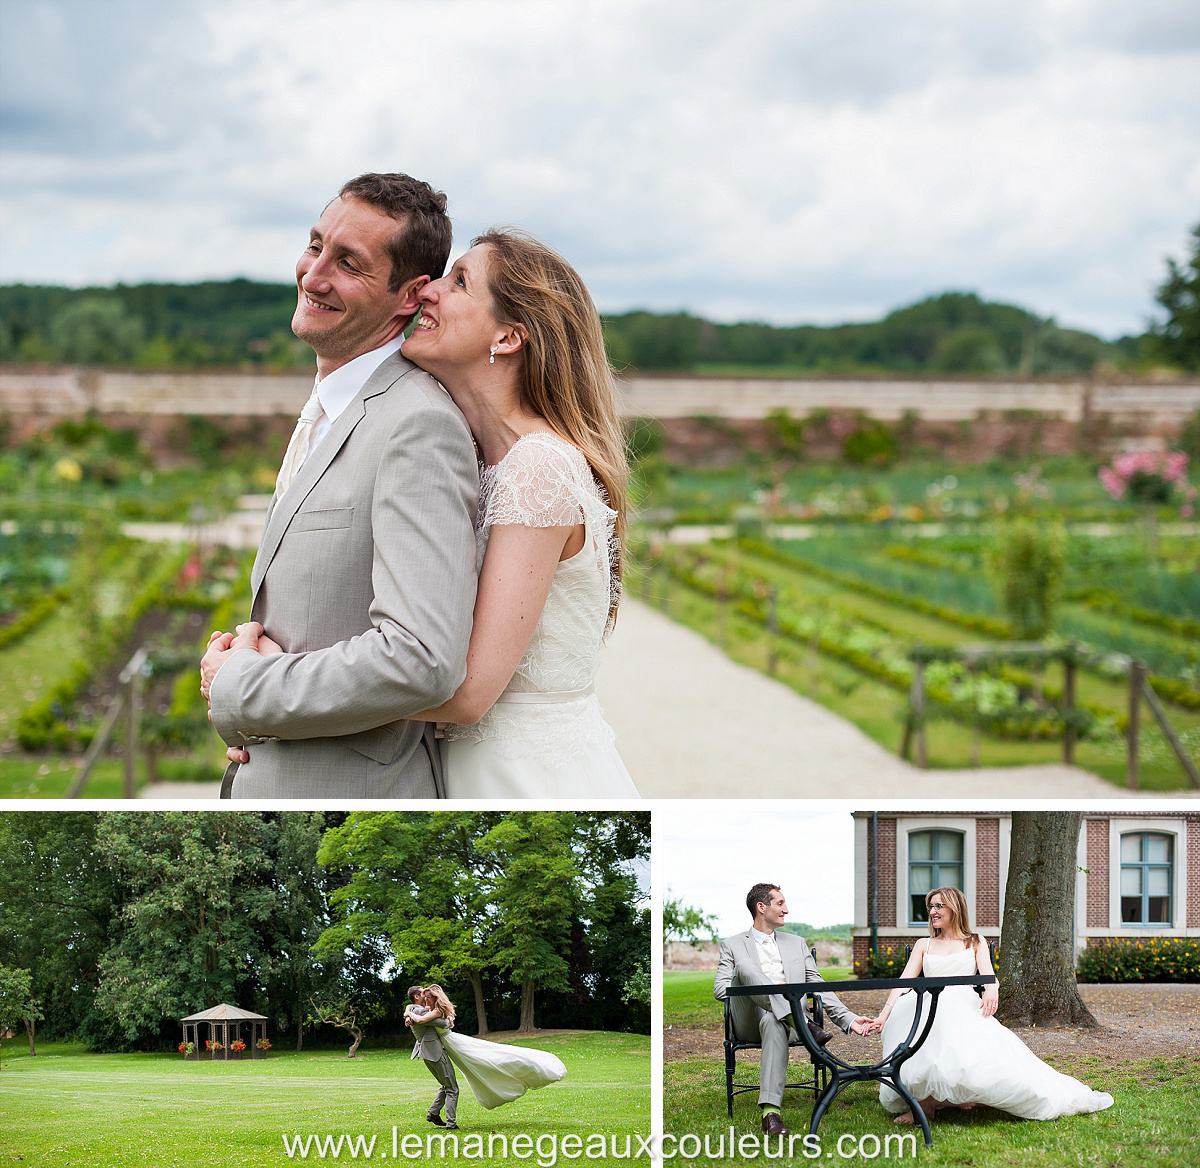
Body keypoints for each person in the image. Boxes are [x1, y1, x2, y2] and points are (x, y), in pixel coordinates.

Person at [199, 173, 479, 798]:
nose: (313, 274)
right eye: (315, 244)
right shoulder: (330, 408)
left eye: (347, 263)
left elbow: (420, 659)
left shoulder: (418, 425)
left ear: (409, 295)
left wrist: (238, 689)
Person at [395, 228, 638, 797]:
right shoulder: (485, 462)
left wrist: (279, 692)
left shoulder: (539, 469)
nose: (428, 290)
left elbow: (470, 693)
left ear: (507, 337)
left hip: (525, 778)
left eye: (459, 282)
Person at [871, 887, 1114, 1125]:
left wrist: (992, 990)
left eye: (938, 906)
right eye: (930, 907)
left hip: (962, 1003)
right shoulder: (924, 944)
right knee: (915, 1020)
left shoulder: (974, 941)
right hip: (929, 1003)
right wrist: (884, 1014)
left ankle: (964, 1095)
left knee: (969, 1038)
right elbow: (904, 982)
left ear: (954, 909)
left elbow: (989, 975)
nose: (932, 912)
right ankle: (924, 1105)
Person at [714, 883, 874, 1138]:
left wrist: (849, 1018)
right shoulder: (732, 945)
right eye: (780, 904)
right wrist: (769, 988)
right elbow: (721, 989)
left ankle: (770, 1112)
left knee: (773, 1020)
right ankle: (798, 1021)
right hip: (749, 1020)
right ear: (761, 907)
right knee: (744, 967)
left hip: (776, 1024)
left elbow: (817, 985)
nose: (786, 910)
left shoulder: (796, 943)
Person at [405, 985, 566, 1111]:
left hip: (453, 1043)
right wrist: (409, 1013)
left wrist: (408, 1013)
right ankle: (435, 1113)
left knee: (483, 1060)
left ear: (434, 998)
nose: (426, 1000)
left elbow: (423, 1019)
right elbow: (424, 1015)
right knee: (473, 1067)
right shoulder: (429, 1009)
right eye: (423, 996)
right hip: (449, 1044)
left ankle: (519, 1071)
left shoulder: (433, 1012)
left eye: (428, 997)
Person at [404, 986, 460, 1129]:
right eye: (422, 993)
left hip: (427, 1053)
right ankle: (451, 1123)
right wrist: (449, 1018)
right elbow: (444, 1024)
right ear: (417, 997)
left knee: (445, 1085)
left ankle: (433, 1113)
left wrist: (407, 1011)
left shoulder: (414, 1011)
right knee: (452, 1088)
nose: (425, 995)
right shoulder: (420, 1012)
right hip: (435, 1053)